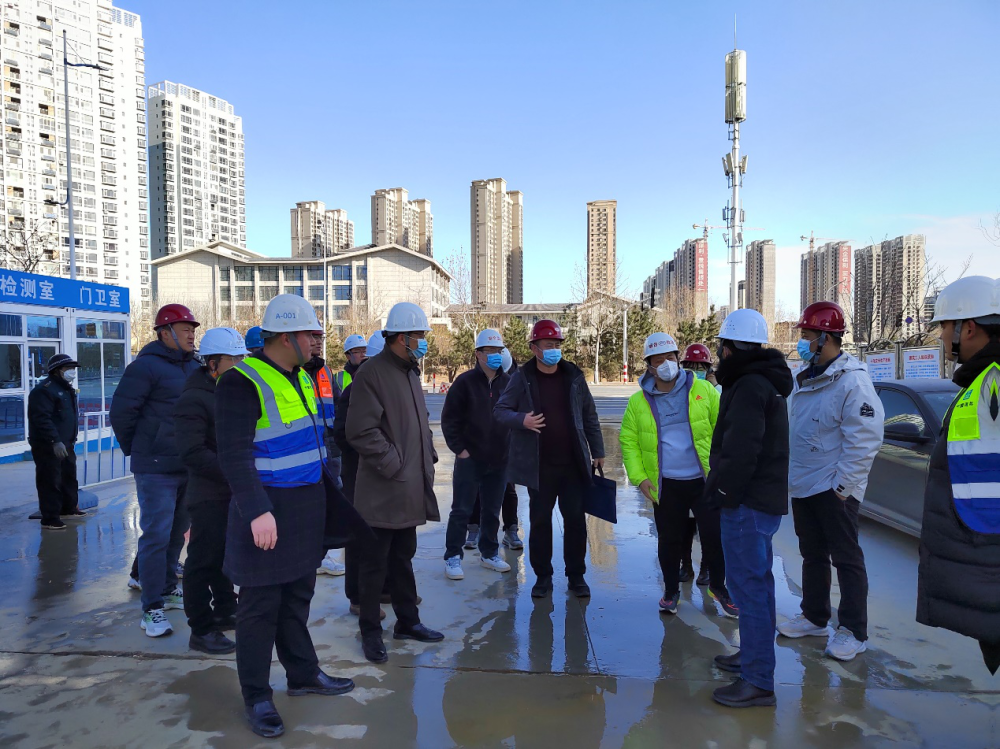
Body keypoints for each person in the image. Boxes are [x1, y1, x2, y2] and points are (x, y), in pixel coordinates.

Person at [216, 294, 355, 739]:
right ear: (287, 335)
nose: (318, 341)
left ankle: (303, 674)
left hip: (304, 508)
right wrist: (256, 511)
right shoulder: (242, 381)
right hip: (267, 512)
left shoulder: (302, 376)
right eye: (311, 334)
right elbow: (234, 455)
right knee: (259, 608)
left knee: (297, 597)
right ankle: (257, 695)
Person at [780, 302, 883, 662]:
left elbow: (865, 438)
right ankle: (814, 616)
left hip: (834, 488)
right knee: (812, 554)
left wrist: (843, 487)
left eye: (807, 336)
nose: (803, 343)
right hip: (804, 483)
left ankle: (853, 631)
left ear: (826, 337)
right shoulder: (803, 378)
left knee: (847, 559)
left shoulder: (851, 380)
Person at [704, 309, 793, 709]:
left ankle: (758, 680)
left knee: (750, 589)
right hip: (761, 501)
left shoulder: (748, 386)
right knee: (756, 586)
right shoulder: (763, 381)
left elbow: (741, 450)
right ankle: (753, 658)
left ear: (729, 348)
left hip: (746, 504)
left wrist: (722, 494)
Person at [347, 302, 444, 664]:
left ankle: (408, 622)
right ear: (401, 338)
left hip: (407, 486)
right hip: (383, 489)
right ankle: (370, 631)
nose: (423, 342)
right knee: (374, 565)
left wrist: (427, 457)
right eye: (419, 336)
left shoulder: (409, 372)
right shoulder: (372, 374)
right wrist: (396, 464)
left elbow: (419, 424)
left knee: (403, 559)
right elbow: (360, 431)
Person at [916, 276, 1000, 674]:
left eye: (944, 327)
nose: (941, 337)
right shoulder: (981, 381)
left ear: (969, 327)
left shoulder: (995, 380)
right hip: (982, 546)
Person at [620, 333, 733, 616]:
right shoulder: (638, 402)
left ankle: (718, 587)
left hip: (704, 481)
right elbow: (629, 441)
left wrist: (723, 470)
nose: (667, 364)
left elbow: (723, 430)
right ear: (649, 366)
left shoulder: (703, 391)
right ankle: (671, 591)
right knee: (669, 540)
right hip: (665, 484)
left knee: (714, 537)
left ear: (678, 359)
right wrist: (639, 478)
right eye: (659, 361)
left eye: (671, 358)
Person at [494, 319, 605, 599]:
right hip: (540, 467)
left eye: (557, 344)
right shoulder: (522, 377)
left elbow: (589, 416)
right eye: (548, 345)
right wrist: (523, 420)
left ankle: (576, 576)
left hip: (572, 465)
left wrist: (598, 451)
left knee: (576, 522)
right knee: (541, 522)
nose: (554, 349)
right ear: (534, 348)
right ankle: (543, 577)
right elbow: (500, 410)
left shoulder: (574, 376)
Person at [110, 304, 200, 638]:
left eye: (193, 328)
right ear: (165, 333)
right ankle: (151, 608)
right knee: (156, 534)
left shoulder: (195, 366)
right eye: (185, 328)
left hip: (187, 464)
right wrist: (142, 449)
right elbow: (122, 412)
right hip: (156, 468)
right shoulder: (145, 367)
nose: (192, 333)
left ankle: (165, 587)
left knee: (177, 533)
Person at [174, 327, 248, 655]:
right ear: (213, 363)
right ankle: (201, 629)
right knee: (202, 561)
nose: (240, 364)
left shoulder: (228, 392)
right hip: (208, 494)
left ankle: (224, 611)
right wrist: (231, 471)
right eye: (234, 359)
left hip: (228, 490)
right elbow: (191, 451)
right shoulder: (194, 397)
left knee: (221, 556)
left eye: (241, 357)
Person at [441, 329, 513, 580]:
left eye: (498, 351)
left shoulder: (508, 383)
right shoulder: (464, 383)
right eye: (490, 351)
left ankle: (489, 553)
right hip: (470, 458)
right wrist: (460, 450)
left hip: (499, 459)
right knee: (461, 509)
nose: (495, 355)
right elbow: (449, 419)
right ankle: (452, 556)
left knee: (492, 510)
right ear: (478, 354)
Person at [334, 331, 388, 621]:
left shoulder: (388, 385)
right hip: (359, 474)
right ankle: (357, 596)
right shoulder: (355, 389)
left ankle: (386, 587)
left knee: (387, 533)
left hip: (384, 474)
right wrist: (370, 453)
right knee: (360, 535)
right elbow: (343, 434)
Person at [467, 347, 523, 551]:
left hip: (506, 445)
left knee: (508, 489)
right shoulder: (476, 380)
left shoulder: (514, 381)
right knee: (477, 488)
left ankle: (511, 530)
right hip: (480, 444)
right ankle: (474, 529)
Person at [305, 332, 346, 577]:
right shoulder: (294, 372)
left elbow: (339, 405)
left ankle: (326, 554)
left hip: (330, 447)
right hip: (306, 449)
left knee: (333, 502)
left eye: (320, 337)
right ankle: (313, 554)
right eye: (312, 336)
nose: (318, 341)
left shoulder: (325, 372)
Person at [28, 353, 85, 531]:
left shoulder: (66, 388)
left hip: (66, 443)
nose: (72, 372)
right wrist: (55, 441)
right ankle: (50, 518)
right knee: (50, 480)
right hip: (48, 445)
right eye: (68, 369)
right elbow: (41, 419)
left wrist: (69, 439)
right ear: (57, 371)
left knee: (68, 477)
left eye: (73, 369)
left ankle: (68, 508)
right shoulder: (44, 390)